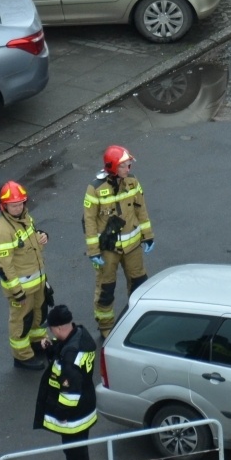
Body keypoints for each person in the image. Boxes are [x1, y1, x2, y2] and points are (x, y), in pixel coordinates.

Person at [82, 145, 153, 339]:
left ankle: (137, 323)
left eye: (129, 165)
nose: (128, 169)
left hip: (132, 246)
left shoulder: (132, 182)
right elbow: (89, 221)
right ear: (112, 167)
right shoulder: (95, 188)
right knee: (106, 288)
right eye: (123, 166)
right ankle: (106, 327)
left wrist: (148, 235)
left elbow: (141, 209)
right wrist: (93, 251)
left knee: (139, 284)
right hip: (109, 249)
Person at [0, 180, 51, 369]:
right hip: (22, 288)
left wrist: (42, 236)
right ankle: (23, 357)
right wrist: (17, 292)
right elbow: (4, 266)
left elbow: (31, 245)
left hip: (37, 279)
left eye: (20, 203)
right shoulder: (1, 231)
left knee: (39, 314)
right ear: (4, 205)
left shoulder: (25, 218)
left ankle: (37, 344)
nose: (18, 208)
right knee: (21, 321)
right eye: (13, 205)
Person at [33, 304, 99, 460]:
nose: (50, 332)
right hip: (84, 406)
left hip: (73, 417)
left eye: (52, 328)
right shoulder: (79, 335)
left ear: (60, 327)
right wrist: (51, 348)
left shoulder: (71, 356)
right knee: (79, 452)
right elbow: (64, 351)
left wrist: (61, 413)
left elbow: (71, 391)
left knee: (75, 457)